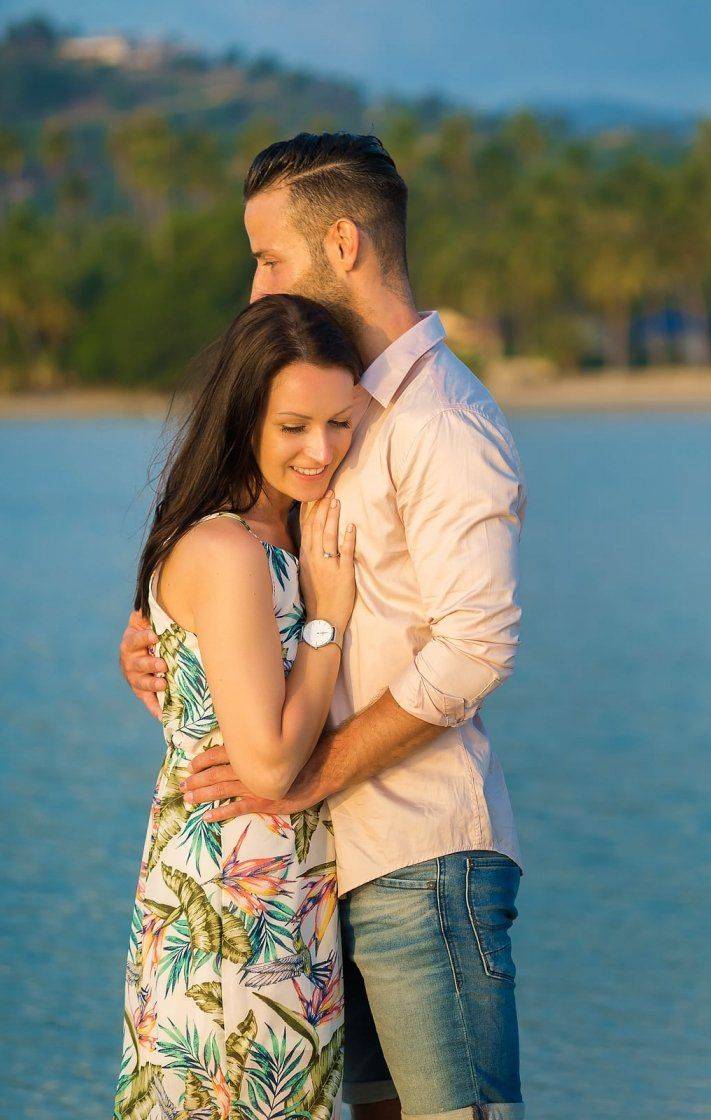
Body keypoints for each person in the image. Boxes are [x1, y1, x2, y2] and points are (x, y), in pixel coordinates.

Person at [118, 133, 528, 1120]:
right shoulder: (343, 408)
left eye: (269, 258)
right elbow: (249, 571)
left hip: (422, 852)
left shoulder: (439, 422)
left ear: (342, 245)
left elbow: (477, 647)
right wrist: (163, 634)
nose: (255, 288)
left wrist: (309, 773)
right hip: (325, 870)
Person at [115, 293, 362, 1120]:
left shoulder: (286, 532)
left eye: (339, 423)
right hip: (231, 913)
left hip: (285, 905)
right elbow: (269, 763)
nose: (320, 450)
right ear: (245, 415)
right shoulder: (228, 548)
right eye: (293, 426)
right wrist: (327, 620)